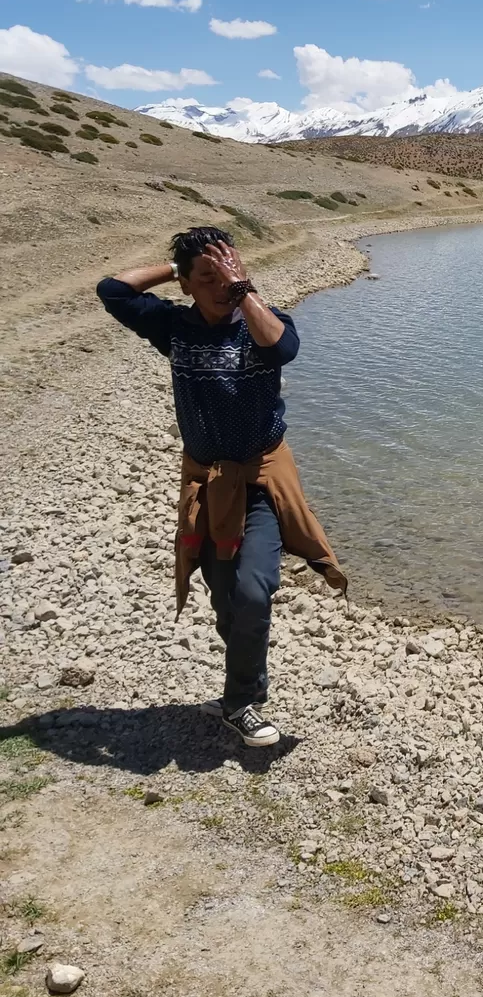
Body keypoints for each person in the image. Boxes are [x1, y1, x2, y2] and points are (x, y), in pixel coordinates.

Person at [97, 227, 346, 747]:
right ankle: (243, 692)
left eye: (227, 274)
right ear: (187, 285)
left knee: (254, 589)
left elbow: (284, 349)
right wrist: (177, 268)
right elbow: (113, 291)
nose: (219, 286)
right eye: (206, 278)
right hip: (206, 483)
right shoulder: (174, 327)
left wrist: (242, 288)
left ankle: (239, 702)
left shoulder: (260, 323)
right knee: (225, 596)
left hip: (260, 480)